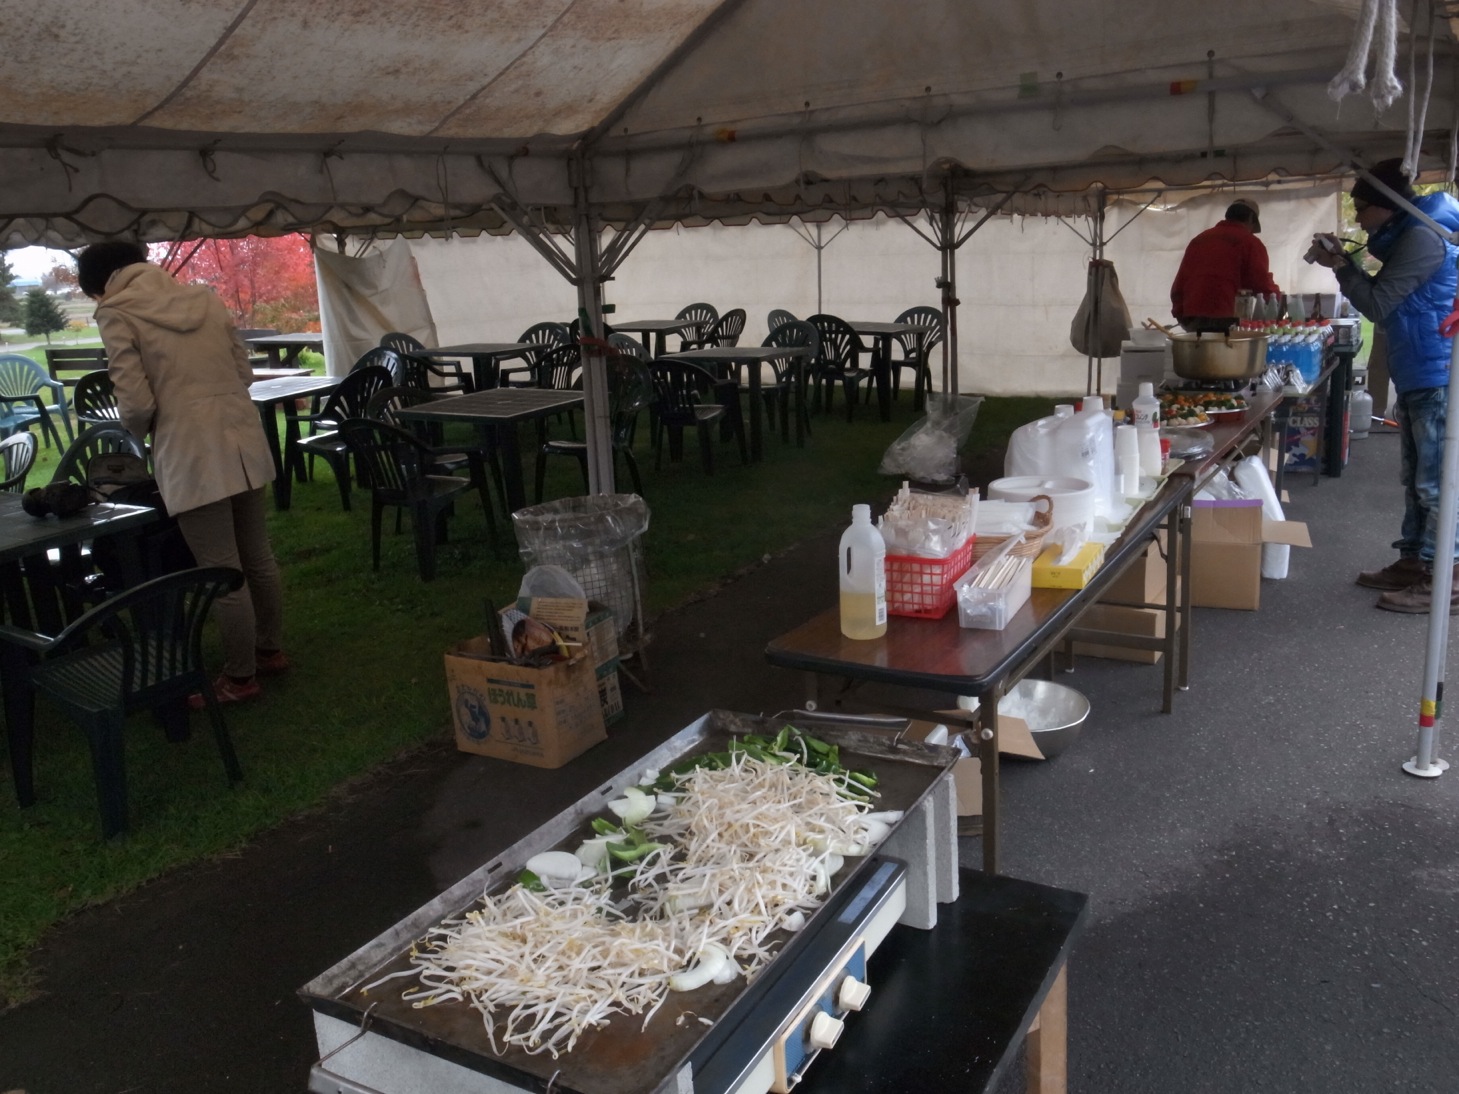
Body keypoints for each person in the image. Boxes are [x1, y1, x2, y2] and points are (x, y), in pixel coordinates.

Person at [77, 241, 286, 700]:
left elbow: (135, 403)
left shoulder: (116, 312)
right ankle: (269, 650)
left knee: (221, 570)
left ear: (101, 284)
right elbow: (244, 373)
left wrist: (151, 430)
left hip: (190, 449)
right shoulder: (204, 298)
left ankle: (240, 677)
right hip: (241, 437)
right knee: (258, 556)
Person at [1310, 159, 1459, 613]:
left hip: (1436, 372)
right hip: (1420, 368)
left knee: (1436, 483)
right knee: (1416, 480)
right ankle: (1415, 561)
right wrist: (1347, 261)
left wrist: (1341, 266)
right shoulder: (1410, 234)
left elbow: (1378, 304)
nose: (1358, 218)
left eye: (1361, 208)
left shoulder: (1423, 239)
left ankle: (1447, 577)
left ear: (1388, 205)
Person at [1170, 198, 1282, 332]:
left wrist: (1181, 314)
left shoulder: (1198, 240)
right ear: (1251, 219)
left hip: (1192, 318)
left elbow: (1179, 284)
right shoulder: (1250, 242)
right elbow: (1261, 284)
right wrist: (1280, 301)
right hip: (1226, 319)